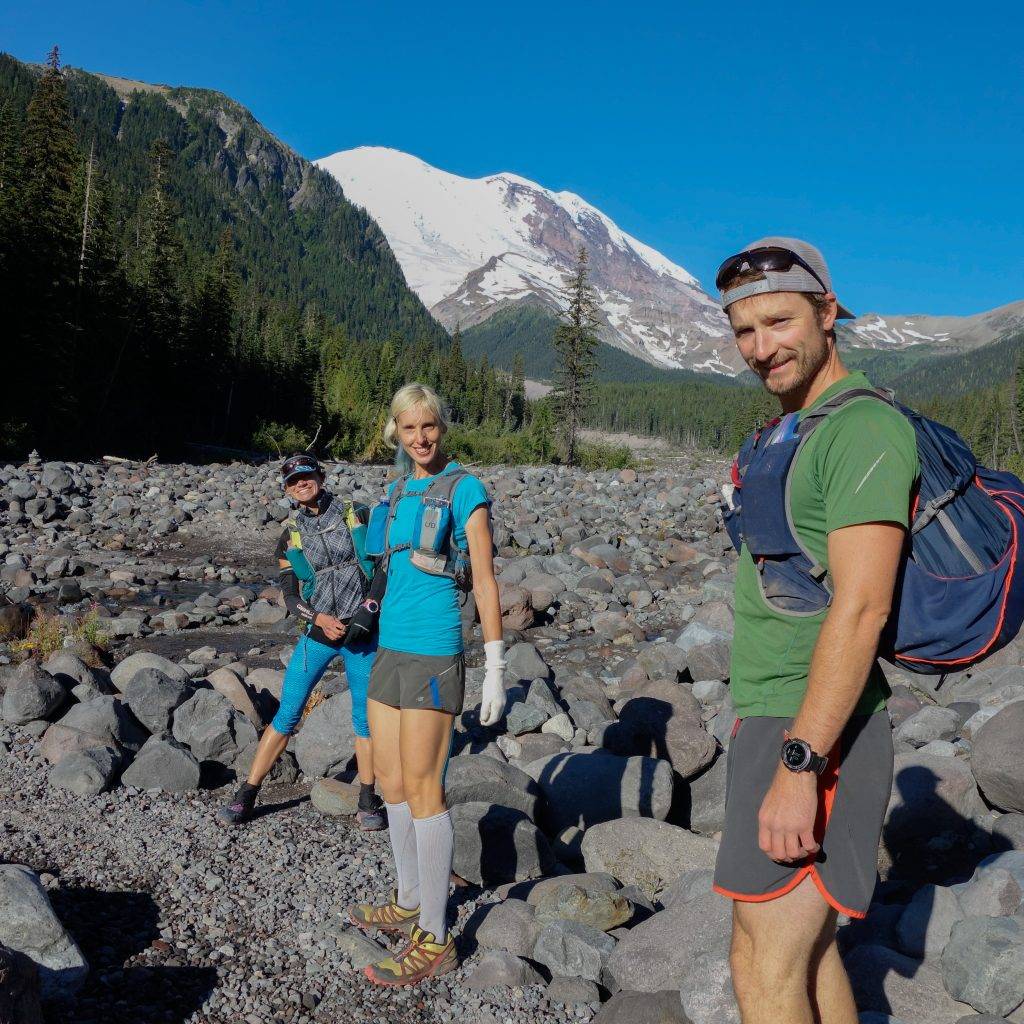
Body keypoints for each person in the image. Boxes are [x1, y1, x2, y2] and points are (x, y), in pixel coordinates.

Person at [711, 238, 918, 1024]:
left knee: (762, 966)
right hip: (779, 715)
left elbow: (862, 608)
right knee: (809, 951)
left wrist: (800, 764)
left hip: (812, 730)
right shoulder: (796, 426)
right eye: (744, 330)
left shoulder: (862, 430)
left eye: (778, 321)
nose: (761, 348)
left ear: (828, 313)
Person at [347, 382, 506, 987]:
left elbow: (486, 580)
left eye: (429, 427)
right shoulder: (394, 490)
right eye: (409, 429)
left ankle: (434, 936)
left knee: (423, 789)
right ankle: (410, 898)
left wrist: (495, 664)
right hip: (388, 648)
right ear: (395, 431)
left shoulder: (466, 489)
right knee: (388, 782)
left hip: (435, 650)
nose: (421, 438)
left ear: (443, 426)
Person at [217, 453, 385, 830]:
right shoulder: (289, 536)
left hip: (363, 632)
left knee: (366, 719)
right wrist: (319, 618)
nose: (301, 484)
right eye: (293, 481)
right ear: (288, 489)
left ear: (320, 477)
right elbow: (290, 596)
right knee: (288, 712)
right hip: (318, 634)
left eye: (306, 476)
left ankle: (367, 797)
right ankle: (247, 793)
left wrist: (368, 610)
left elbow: (382, 566)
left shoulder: (357, 513)